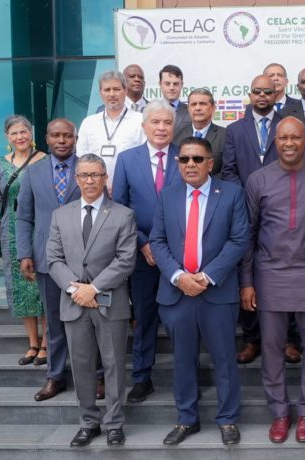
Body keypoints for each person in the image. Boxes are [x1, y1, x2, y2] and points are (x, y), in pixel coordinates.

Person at [242, 117, 305, 443]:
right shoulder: (258, 180)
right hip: (270, 275)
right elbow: (248, 235)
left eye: (295, 138)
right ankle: (279, 412)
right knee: (272, 348)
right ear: (275, 141)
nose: (289, 143)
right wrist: (247, 281)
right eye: (283, 138)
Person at [149, 136, 249, 446]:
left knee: (224, 359)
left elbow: (239, 240)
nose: (190, 164)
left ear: (210, 163)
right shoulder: (167, 196)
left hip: (216, 293)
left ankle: (228, 419)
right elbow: (158, 241)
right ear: (177, 164)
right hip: (177, 293)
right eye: (184, 159)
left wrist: (206, 277)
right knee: (182, 360)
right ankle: (186, 419)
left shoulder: (231, 194)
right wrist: (179, 277)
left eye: (196, 159)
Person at [46, 154, 137, 447]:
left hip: (110, 302)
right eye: (84, 175)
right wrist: (76, 290)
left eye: (95, 175)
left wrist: (93, 288)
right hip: (74, 304)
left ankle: (113, 423)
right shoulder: (61, 215)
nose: (89, 180)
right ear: (76, 179)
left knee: (113, 365)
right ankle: (88, 423)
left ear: (105, 178)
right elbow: (53, 259)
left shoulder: (123, 215)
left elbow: (126, 260)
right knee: (82, 366)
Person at [221, 75, 301, 364]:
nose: (263, 96)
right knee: (249, 274)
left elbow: (298, 164)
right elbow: (229, 169)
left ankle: (290, 340)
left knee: (287, 274)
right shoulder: (234, 129)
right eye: (257, 91)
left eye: (269, 91)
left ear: (277, 93)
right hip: (245, 210)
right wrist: (246, 199)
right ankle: (252, 339)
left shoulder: (288, 124)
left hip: (284, 209)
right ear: (250, 94)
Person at [113, 100, 181, 404]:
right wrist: (142, 241)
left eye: (167, 122)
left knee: (180, 319)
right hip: (141, 255)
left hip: (180, 256)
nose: (161, 127)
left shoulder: (187, 156)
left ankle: (186, 375)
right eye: (155, 122)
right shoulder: (127, 160)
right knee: (143, 316)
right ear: (144, 126)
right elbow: (121, 208)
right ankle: (142, 377)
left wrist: (167, 247)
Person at [16, 119, 82, 401]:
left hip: (84, 259)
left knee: (88, 323)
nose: (62, 140)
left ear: (75, 138)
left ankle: (96, 376)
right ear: (46, 138)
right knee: (53, 323)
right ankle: (55, 377)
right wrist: (24, 253)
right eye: (56, 135)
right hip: (46, 258)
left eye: (68, 135)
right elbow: (24, 215)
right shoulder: (33, 173)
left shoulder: (88, 168)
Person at [0, 115, 47, 366]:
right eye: (14, 133)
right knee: (21, 288)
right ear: (8, 138)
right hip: (10, 233)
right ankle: (32, 343)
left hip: (40, 229)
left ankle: (47, 344)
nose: (20, 137)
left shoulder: (44, 160)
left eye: (23, 131)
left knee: (42, 285)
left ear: (31, 133)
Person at [76, 70, 145, 187]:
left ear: (126, 91)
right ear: (100, 93)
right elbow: (81, 159)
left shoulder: (140, 121)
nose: (112, 94)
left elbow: (144, 158)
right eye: (107, 90)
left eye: (117, 89)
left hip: (130, 187)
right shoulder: (89, 123)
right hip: (95, 188)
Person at [173, 88, 225, 175]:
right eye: (193, 104)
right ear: (188, 109)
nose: (198, 108)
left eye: (202, 104)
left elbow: (228, 171)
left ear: (213, 108)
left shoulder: (226, 135)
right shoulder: (177, 136)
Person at [159, 64, 191, 133]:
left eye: (176, 84)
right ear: (160, 84)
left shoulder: (191, 111)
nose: (172, 88)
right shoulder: (150, 111)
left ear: (182, 85)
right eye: (167, 84)